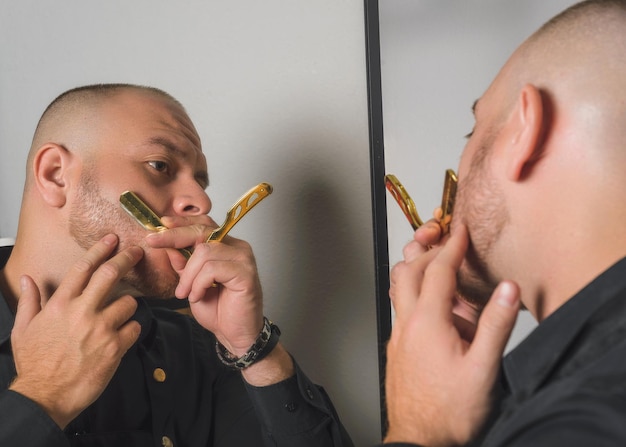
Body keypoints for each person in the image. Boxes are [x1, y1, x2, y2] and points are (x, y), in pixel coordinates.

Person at [0, 83, 354, 446]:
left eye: (200, 181)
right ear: (55, 174)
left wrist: (253, 347)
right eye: (160, 166)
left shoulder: (201, 352)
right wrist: (42, 396)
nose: (201, 201)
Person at [381, 0, 626, 446]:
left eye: (473, 132)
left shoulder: (582, 420)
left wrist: (417, 426)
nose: (462, 157)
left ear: (524, 132)